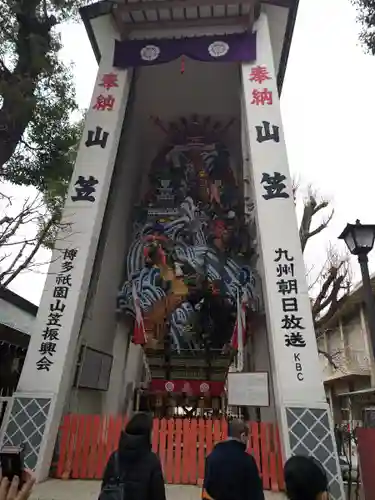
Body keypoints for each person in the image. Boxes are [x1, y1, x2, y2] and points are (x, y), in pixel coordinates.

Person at [101, 412, 166, 500]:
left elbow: (105, 488)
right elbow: (158, 496)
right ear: (147, 433)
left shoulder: (115, 457)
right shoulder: (152, 461)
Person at [202, 419, 264, 500]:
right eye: (247, 437)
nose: (248, 441)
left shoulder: (212, 457)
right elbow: (256, 495)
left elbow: (206, 492)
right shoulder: (247, 461)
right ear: (242, 436)